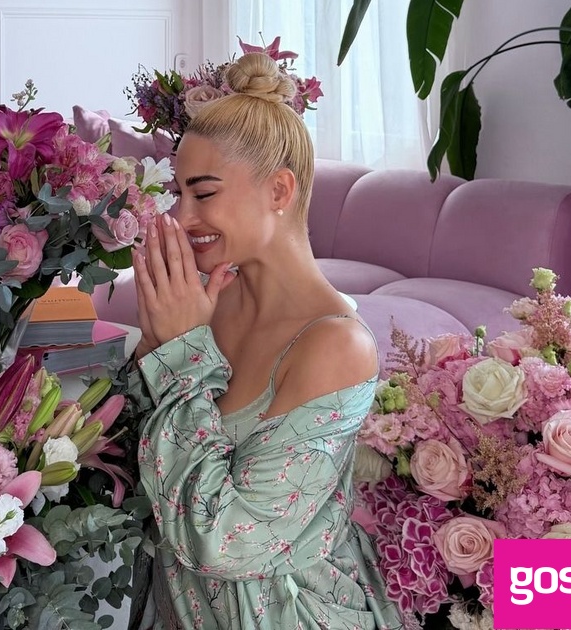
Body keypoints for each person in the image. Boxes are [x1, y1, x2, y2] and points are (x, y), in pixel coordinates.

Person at [122, 51, 403, 629]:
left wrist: (180, 355)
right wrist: (157, 343)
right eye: (177, 194)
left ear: (278, 190)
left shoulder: (336, 348)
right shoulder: (205, 303)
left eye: (203, 194)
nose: (182, 217)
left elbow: (226, 542)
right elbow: (141, 458)